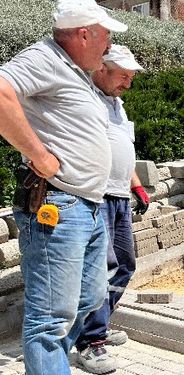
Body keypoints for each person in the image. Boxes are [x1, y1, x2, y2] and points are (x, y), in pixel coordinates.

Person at [0, 0, 127, 374]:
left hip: (86, 206)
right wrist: (38, 155)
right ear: (84, 33)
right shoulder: (45, 58)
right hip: (58, 205)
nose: (107, 47)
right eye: (104, 36)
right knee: (49, 320)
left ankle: (48, 362)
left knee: (90, 297)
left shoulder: (75, 70)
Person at [73, 44, 148, 374]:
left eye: (131, 77)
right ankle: (90, 344)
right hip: (95, 196)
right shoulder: (85, 98)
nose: (127, 84)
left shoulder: (117, 104)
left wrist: (136, 184)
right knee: (100, 270)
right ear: (101, 69)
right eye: (123, 76)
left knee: (125, 264)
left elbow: (121, 149)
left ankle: (98, 326)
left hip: (118, 196)